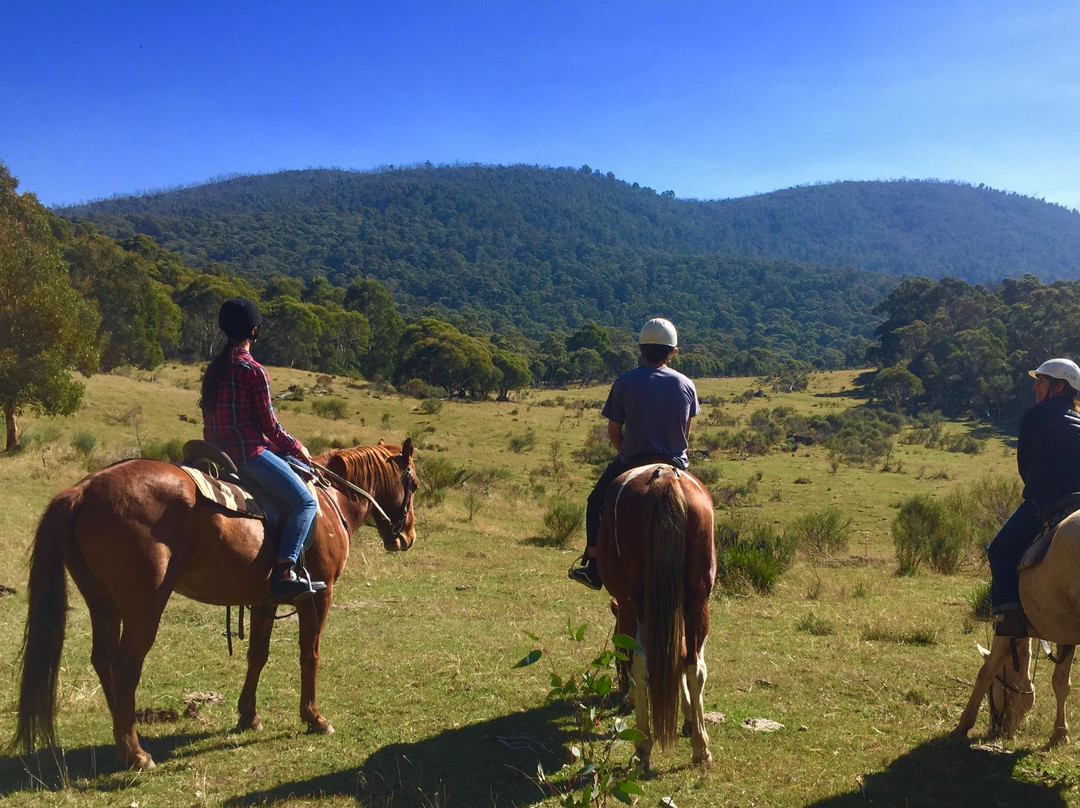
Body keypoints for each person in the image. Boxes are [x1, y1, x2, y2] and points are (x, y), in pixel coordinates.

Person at [200, 297, 325, 603]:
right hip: (247, 456)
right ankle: (284, 571)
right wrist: (298, 448)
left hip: (215, 453)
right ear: (254, 331)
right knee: (306, 503)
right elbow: (269, 426)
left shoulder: (215, 369)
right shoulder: (253, 370)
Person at [569, 317, 700, 589]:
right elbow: (684, 435)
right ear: (672, 352)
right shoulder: (687, 384)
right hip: (675, 462)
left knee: (595, 503)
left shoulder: (625, 381)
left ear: (641, 349)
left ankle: (593, 568)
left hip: (631, 460)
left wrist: (627, 453)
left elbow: (614, 431)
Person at [988, 357, 1080, 637]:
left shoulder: (1035, 416)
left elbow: (1024, 466)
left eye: (1041, 381)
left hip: (1047, 503)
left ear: (1059, 387)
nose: (1036, 387)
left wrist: (1038, 488)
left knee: (999, 551)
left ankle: (1010, 619)